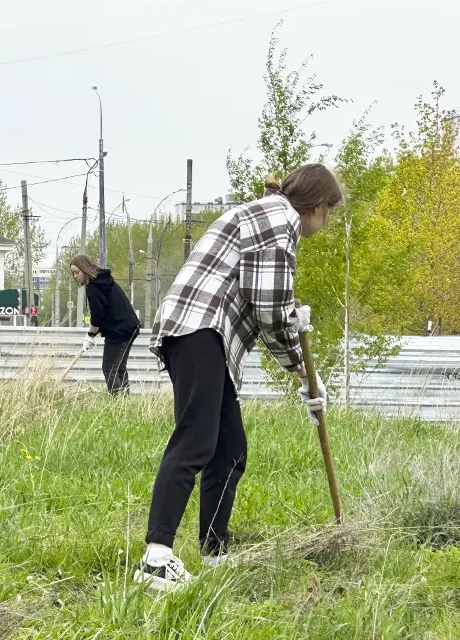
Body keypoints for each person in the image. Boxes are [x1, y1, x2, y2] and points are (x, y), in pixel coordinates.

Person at [136, 165, 341, 591]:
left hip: (204, 335)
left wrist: (299, 368)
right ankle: (156, 559)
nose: (326, 222)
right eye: (329, 213)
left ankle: (214, 554)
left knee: (229, 450)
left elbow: (264, 298)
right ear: (319, 205)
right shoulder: (280, 219)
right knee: (195, 441)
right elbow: (268, 303)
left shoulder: (268, 213)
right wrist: (297, 357)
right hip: (199, 330)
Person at [70, 254, 140, 397]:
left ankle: (118, 404)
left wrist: (90, 335)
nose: (75, 276)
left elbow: (98, 315)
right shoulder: (102, 281)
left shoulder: (94, 287)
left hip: (119, 330)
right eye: (73, 273)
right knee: (119, 369)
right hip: (130, 326)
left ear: (85, 270)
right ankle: (124, 405)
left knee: (109, 368)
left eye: (77, 272)